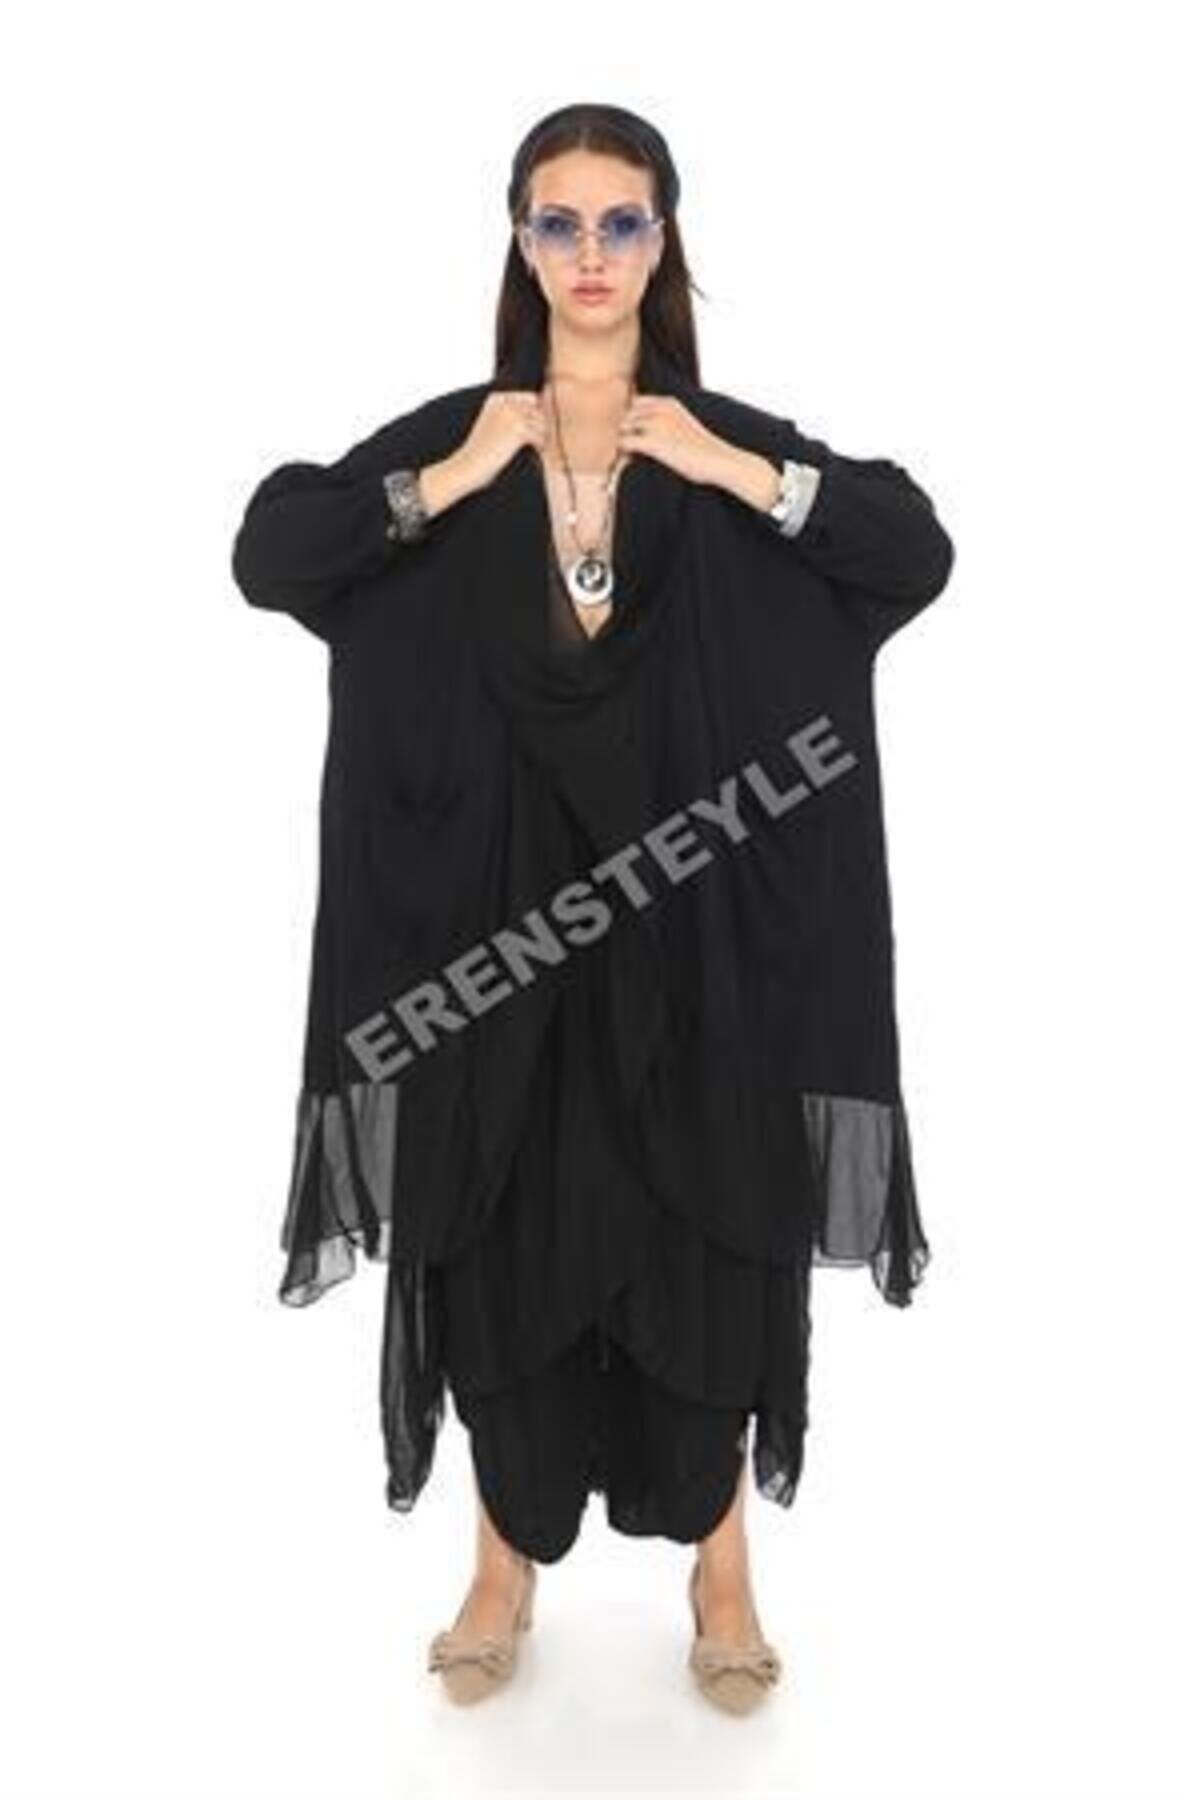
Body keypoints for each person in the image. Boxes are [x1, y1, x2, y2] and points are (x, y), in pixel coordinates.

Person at [230, 101, 955, 1712]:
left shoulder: (720, 440)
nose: (590, 255)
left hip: (700, 956)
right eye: (556, 222)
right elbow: (276, 554)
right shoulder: (460, 438)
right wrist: (445, 481)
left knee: (713, 1253)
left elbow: (910, 549)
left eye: (621, 221)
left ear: (663, 238)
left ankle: (724, 1572)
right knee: (501, 1260)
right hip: (503, 967)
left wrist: (729, 468)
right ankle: (502, 1570)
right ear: (519, 240)